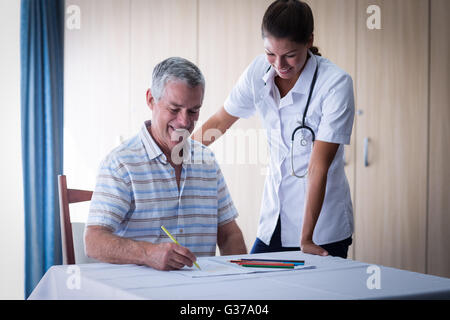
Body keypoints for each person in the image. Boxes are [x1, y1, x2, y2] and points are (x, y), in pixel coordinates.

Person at [193, 0, 355, 258]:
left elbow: (318, 166)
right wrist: (177, 154)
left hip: (321, 228)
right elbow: (220, 121)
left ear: (309, 41)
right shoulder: (258, 71)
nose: (279, 64)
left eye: (290, 54)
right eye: (271, 53)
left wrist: (307, 239)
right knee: (256, 286)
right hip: (275, 218)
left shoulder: (335, 84)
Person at [85, 57, 247, 270]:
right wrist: (147, 254)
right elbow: (93, 242)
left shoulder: (206, 161)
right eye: (174, 109)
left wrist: (240, 276)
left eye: (193, 111)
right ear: (151, 99)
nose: (184, 122)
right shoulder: (121, 164)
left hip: (200, 294)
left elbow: (229, 235)